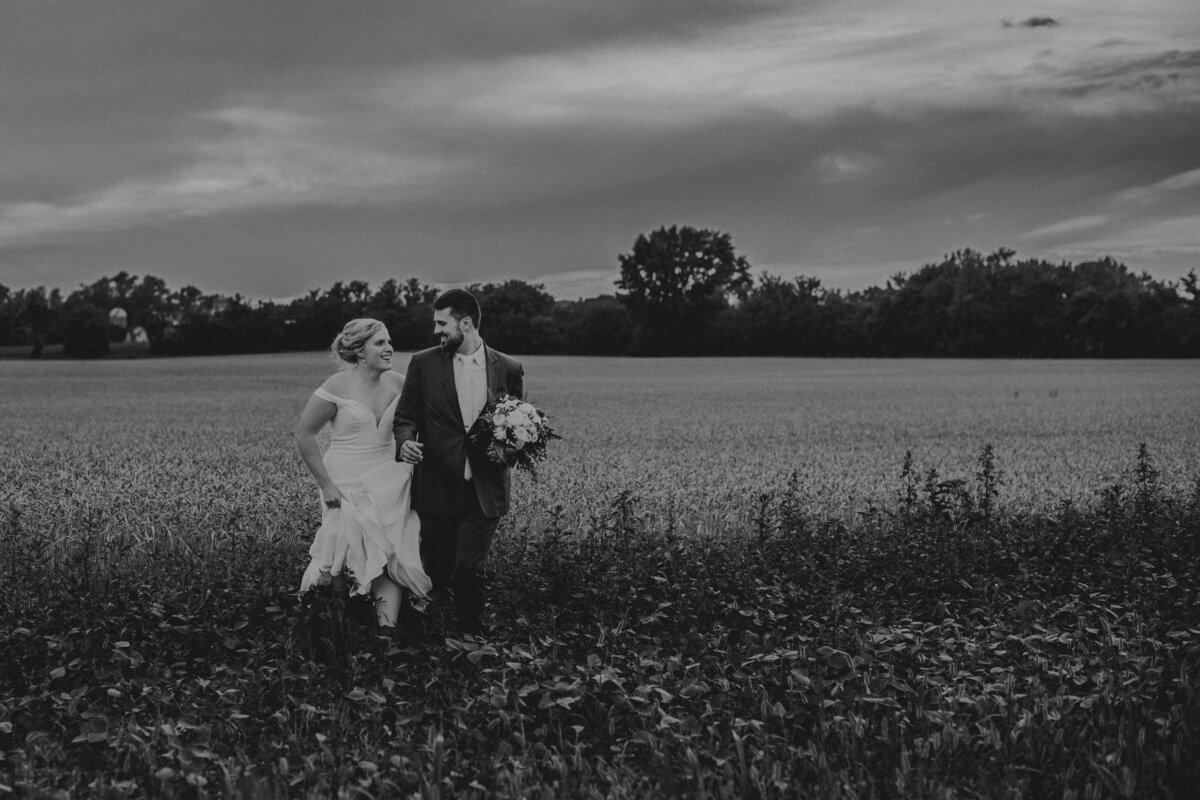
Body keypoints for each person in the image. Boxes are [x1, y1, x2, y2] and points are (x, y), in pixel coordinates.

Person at [394, 288, 524, 634]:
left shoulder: (509, 368)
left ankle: (471, 639)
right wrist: (405, 443)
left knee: (469, 568)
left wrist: (513, 449)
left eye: (442, 323)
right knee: (439, 568)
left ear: (466, 323)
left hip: (486, 488)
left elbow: (517, 424)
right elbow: (406, 417)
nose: (436, 331)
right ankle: (437, 638)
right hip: (437, 484)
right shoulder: (423, 363)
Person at [296, 318, 432, 628]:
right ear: (359, 350)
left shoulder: (401, 383)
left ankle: (387, 635)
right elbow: (305, 435)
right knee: (341, 549)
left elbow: (416, 425)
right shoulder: (336, 386)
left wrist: (410, 444)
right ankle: (331, 625)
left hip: (389, 479)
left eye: (389, 342)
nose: (389, 349)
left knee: (388, 551)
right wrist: (326, 485)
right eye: (380, 343)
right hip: (343, 480)